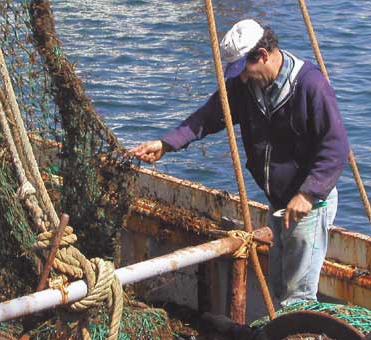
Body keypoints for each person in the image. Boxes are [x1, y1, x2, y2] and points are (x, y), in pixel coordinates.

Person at [127, 19, 349, 306]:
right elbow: (207, 117)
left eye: (244, 69)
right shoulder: (244, 87)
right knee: (281, 285)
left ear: (264, 55)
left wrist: (308, 193)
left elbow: (336, 146)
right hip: (280, 202)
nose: (241, 77)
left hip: (309, 205)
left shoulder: (310, 85)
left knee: (298, 295)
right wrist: (166, 144)